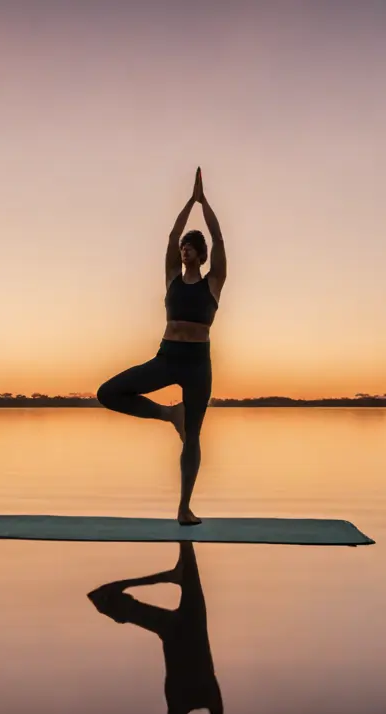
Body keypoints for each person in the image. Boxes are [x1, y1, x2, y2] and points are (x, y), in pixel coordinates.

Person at [96, 168, 227, 525]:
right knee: (107, 393)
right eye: (183, 247)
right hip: (168, 357)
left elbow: (218, 238)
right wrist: (189, 201)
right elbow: (170, 235)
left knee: (194, 437)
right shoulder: (171, 277)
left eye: (190, 248)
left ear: (200, 255)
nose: (184, 250)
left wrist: (205, 201)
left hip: (199, 364)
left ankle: (184, 508)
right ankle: (170, 414)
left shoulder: (214, 282)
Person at [87, 542, 223, 714]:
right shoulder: (198, 707)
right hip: (188, 633)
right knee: (186, 558)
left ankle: (170, 573)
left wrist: (163, 578)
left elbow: (99, 597)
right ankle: (172, 569)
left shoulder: (191, 707)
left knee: (106, 599)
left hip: (182, 636)